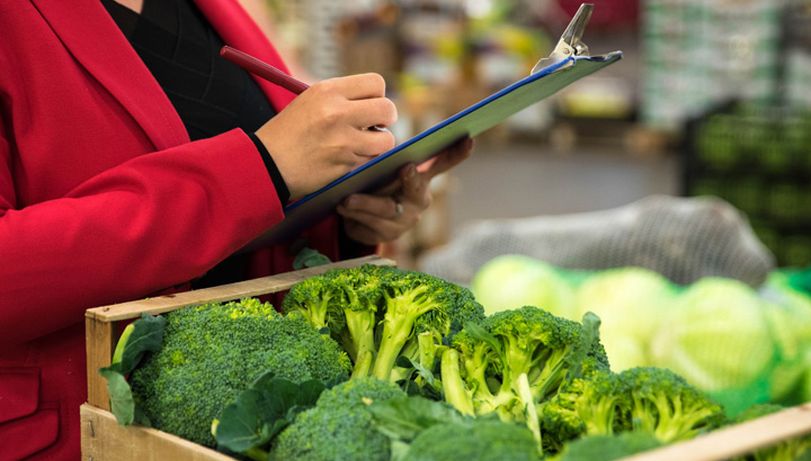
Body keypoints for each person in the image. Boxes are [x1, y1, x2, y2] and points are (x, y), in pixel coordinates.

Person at [0, 0, 472, 459]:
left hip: (262, 416)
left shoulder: (219, 9)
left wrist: (350, 212)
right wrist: (261, 165)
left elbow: (268, 194)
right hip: (81, 431)